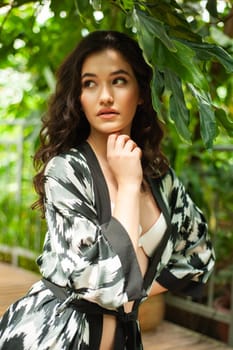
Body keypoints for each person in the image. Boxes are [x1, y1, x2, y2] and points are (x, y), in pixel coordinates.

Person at [0, 30, 215, 350]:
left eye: (118, 80)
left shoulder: (160, 176)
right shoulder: (67, 171)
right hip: (55, 336)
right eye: (90, 83)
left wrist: (136, 294)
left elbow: (199, 256)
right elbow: (104, 283)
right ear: (79, 96)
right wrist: (128, 186)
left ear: (140, 92)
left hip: (125, 340)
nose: (104, 96)